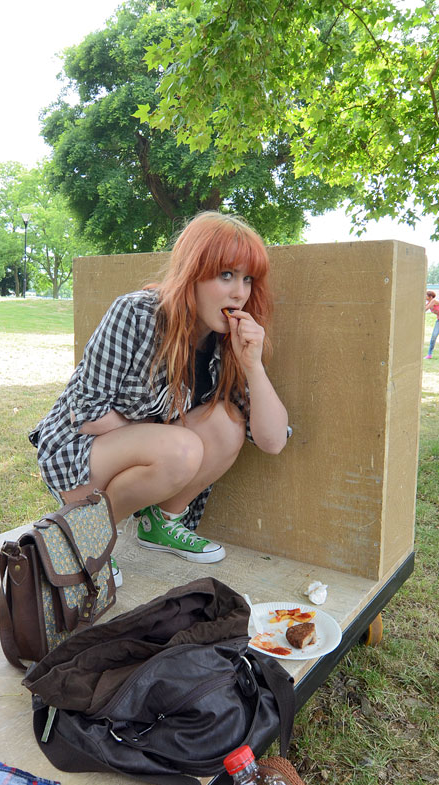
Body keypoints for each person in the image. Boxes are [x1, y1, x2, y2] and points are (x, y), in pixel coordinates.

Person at [29, 212, 289, 565]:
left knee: (228, 422)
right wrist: (165, 441)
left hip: (148, 453)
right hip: (79, 457)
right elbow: (87, 414)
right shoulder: (136, 314)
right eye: (226, 275)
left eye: (247, 279)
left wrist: (253, 366)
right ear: (193, 272)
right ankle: (84, 536)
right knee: (181, 448)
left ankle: (161, 523)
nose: (239, 292)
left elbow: (273, 441)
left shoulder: (230, 341)